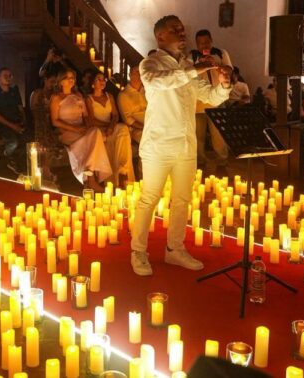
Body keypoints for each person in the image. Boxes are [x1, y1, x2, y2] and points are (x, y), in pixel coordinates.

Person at [130, 15, 231, 276]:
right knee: (149, 199)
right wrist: (195, 70)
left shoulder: (188, 64)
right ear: (160, 36)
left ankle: (174, 249)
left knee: (182, 200)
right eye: (175, 29)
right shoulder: (149, 64)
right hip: (158, 144)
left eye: (182, 28)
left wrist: (224, 85)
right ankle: (138, 251)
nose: (182, 32)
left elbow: (209, 97)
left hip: (186, 144)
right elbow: (161, 81)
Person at [50, 69, 112, 191]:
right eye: (68, 77)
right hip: (67, 132)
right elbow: (55, 121)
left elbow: (86, 116)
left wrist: (87, 127)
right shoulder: (56, 98)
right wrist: (75, 129)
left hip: (81, 130)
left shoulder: (78, 96)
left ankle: (89, 177)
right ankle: (91, 180)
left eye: (72, 77)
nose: (71, 79)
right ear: (61, 82)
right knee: (95, 137)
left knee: (95, 132)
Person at [191, 29, 232, 173]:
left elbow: (229, 70)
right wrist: (200, 65)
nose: (204, 46)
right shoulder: (192, 56)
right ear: (196, 44)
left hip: (217, 99)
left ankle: (222, 163)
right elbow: (189, 74)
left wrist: (215, 65)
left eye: (207, 42)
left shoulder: (221, 53)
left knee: (219, 135)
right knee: (198, 135)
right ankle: (200, 163)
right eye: (201, 43)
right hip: (198, 102)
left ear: (211, 40)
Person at [86, 71, 135, 187]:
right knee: (107, 137)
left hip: (111, 127)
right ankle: (114, 178)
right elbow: (91, 119)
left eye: (104, 79)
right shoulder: (89, 99)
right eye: (99, 79)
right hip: (99, 129)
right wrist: (107, 127)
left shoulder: (109, 96)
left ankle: (123, 170)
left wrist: (111, 126)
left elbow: (115, 115)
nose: (102, 82)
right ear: (93, 83)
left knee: (123, 129)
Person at [0, 67, 26, 173]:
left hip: (17, 122)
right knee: (13, 142)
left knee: (29, 140)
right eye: (5, 76)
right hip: (3, 124)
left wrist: (23, 120)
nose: (8, 78)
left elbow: (20, 108)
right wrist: (13, 126)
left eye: (10, 75)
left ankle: (16, 161)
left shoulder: (14, 91)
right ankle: (5, 156)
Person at [117, 65, 147, 143]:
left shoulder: (147, 91)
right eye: (136, 72)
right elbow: (128, 119)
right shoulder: (123, 95)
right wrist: (144, 127)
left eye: (140, 71)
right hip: (137, 129)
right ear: (130, 75)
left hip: (153, 124)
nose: (139, 74)